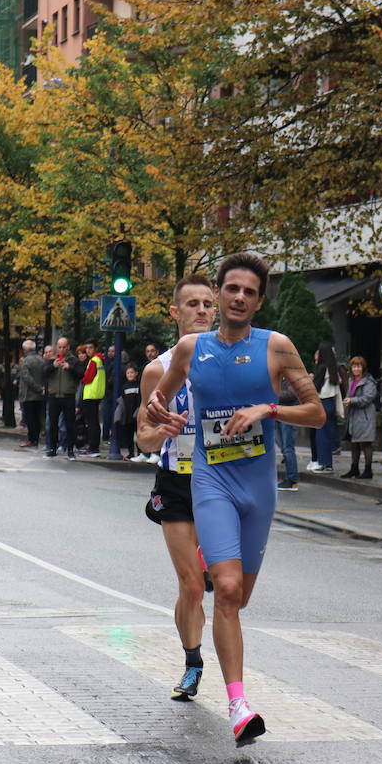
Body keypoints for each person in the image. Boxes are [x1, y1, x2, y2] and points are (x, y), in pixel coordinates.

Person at [147, 253, 325, 745]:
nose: (239, 298)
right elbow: (156, 404)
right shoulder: (191, 349)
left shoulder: (277, 347)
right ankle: (239, 705)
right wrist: (162, 416)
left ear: (259, 300)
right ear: (219, 294)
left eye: (250, 292)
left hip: (258, 488)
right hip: (210, 481)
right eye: (232, 289)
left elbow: (316, 413)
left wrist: (268, 409)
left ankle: (219, 564)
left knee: (239, 597)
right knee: (224, 589)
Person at [135, 274, 218, 702]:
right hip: (176, 481)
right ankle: (193, 663)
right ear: (175, 312)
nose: (201, 310)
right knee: (191, 586)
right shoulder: (158, 370)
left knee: (228, 586)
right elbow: (143, 439)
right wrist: (162, 431)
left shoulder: (232, 363)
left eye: (207, 303)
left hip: (221, 479)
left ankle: (208, 562)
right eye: (192, 304)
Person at [44, 337, 83, 459]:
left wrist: (69, 368)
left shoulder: (74, 361)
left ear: (68, 347)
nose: (61, 349)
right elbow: (44, 372)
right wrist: (53, 366)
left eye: (64, 347)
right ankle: (52, 448)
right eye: (59, 347)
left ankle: (70, 449)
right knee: (52, 424)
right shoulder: (51, 360)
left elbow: (81, 374)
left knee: (70, 424)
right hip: (54, 396)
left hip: (68, 396)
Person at [341, 356, 378, 479]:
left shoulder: (369, 382)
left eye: (358, 366)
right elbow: (349, 395)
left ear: (363, 368)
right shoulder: (351, 380)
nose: (356, 369)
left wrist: (352, 400)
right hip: (353, 416)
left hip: (365, 416)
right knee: (354, 443)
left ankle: (368, 470)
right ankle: (354, 468)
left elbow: (367, 398)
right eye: (354, 366)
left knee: (365, 443)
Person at [307, 343, 341, 474]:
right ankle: (328, 464)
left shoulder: (322, 367)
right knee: (328, 434)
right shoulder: (333, 368)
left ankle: (324, 464)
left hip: (322, 402)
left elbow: (315, 387)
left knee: (321, 436)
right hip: (331, 402)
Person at [17, 340, 46, 447]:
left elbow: (26, 377)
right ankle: (36, 439)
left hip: (28, 394)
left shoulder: (26, 361)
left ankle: (31, 439)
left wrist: (37, 388)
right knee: (37, 417)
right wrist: (42, 389)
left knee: (30, 418)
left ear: (25, 349)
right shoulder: (41, 360)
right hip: (40, 395)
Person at [79, 343, 105, 456]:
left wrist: (83, 379)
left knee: (91, 423)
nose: (88, 350)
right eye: (87, 348)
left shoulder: (94, 360)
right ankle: (94, 447)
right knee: (94, 421)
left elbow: (88, 378)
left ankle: (93, 447)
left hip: (91, 393)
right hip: (97, 393)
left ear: (95, 349)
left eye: (90, 348)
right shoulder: (100, 360)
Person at [113, 364, 141, 460]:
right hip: (127, 414)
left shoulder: (139, 385)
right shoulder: (124, 386)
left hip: (137, 413)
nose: (130, 374)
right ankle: (131, 452)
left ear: (136, 373)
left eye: (131, 372)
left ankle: (140, 452)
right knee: (129, 435)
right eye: (128, 373)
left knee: (138, 434)